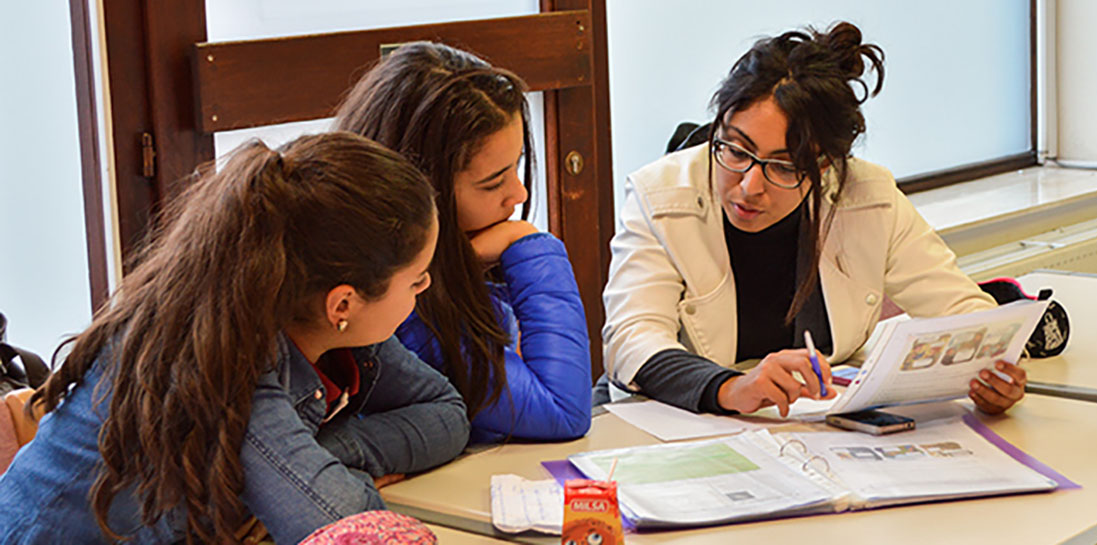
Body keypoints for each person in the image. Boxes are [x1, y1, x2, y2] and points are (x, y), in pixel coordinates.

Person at [0, 132, 470, 545]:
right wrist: (307, 480)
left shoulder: (311, 311)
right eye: (417, 279)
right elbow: (346, 526)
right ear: (342, 304)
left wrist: (330, 453)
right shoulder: (226, 361)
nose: (425, 289)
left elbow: (447, 415)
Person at [602, 22, 1025, 417]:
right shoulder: (659, 195)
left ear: (824, 167)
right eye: (735, 150)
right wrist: (731, 388)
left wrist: (992, 375)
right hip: (669, 419)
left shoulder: (867, 195)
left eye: (784, 167)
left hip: (808, 430)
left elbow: (968, 315)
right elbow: (632, 341)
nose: (750, 185)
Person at [335, 42, 592, 443]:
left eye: (518, 166)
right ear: (421, 189)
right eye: (493, 183)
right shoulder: (401, 305)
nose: (519, 194)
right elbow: (563, 411)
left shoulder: (462, 258)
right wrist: (530, 245)